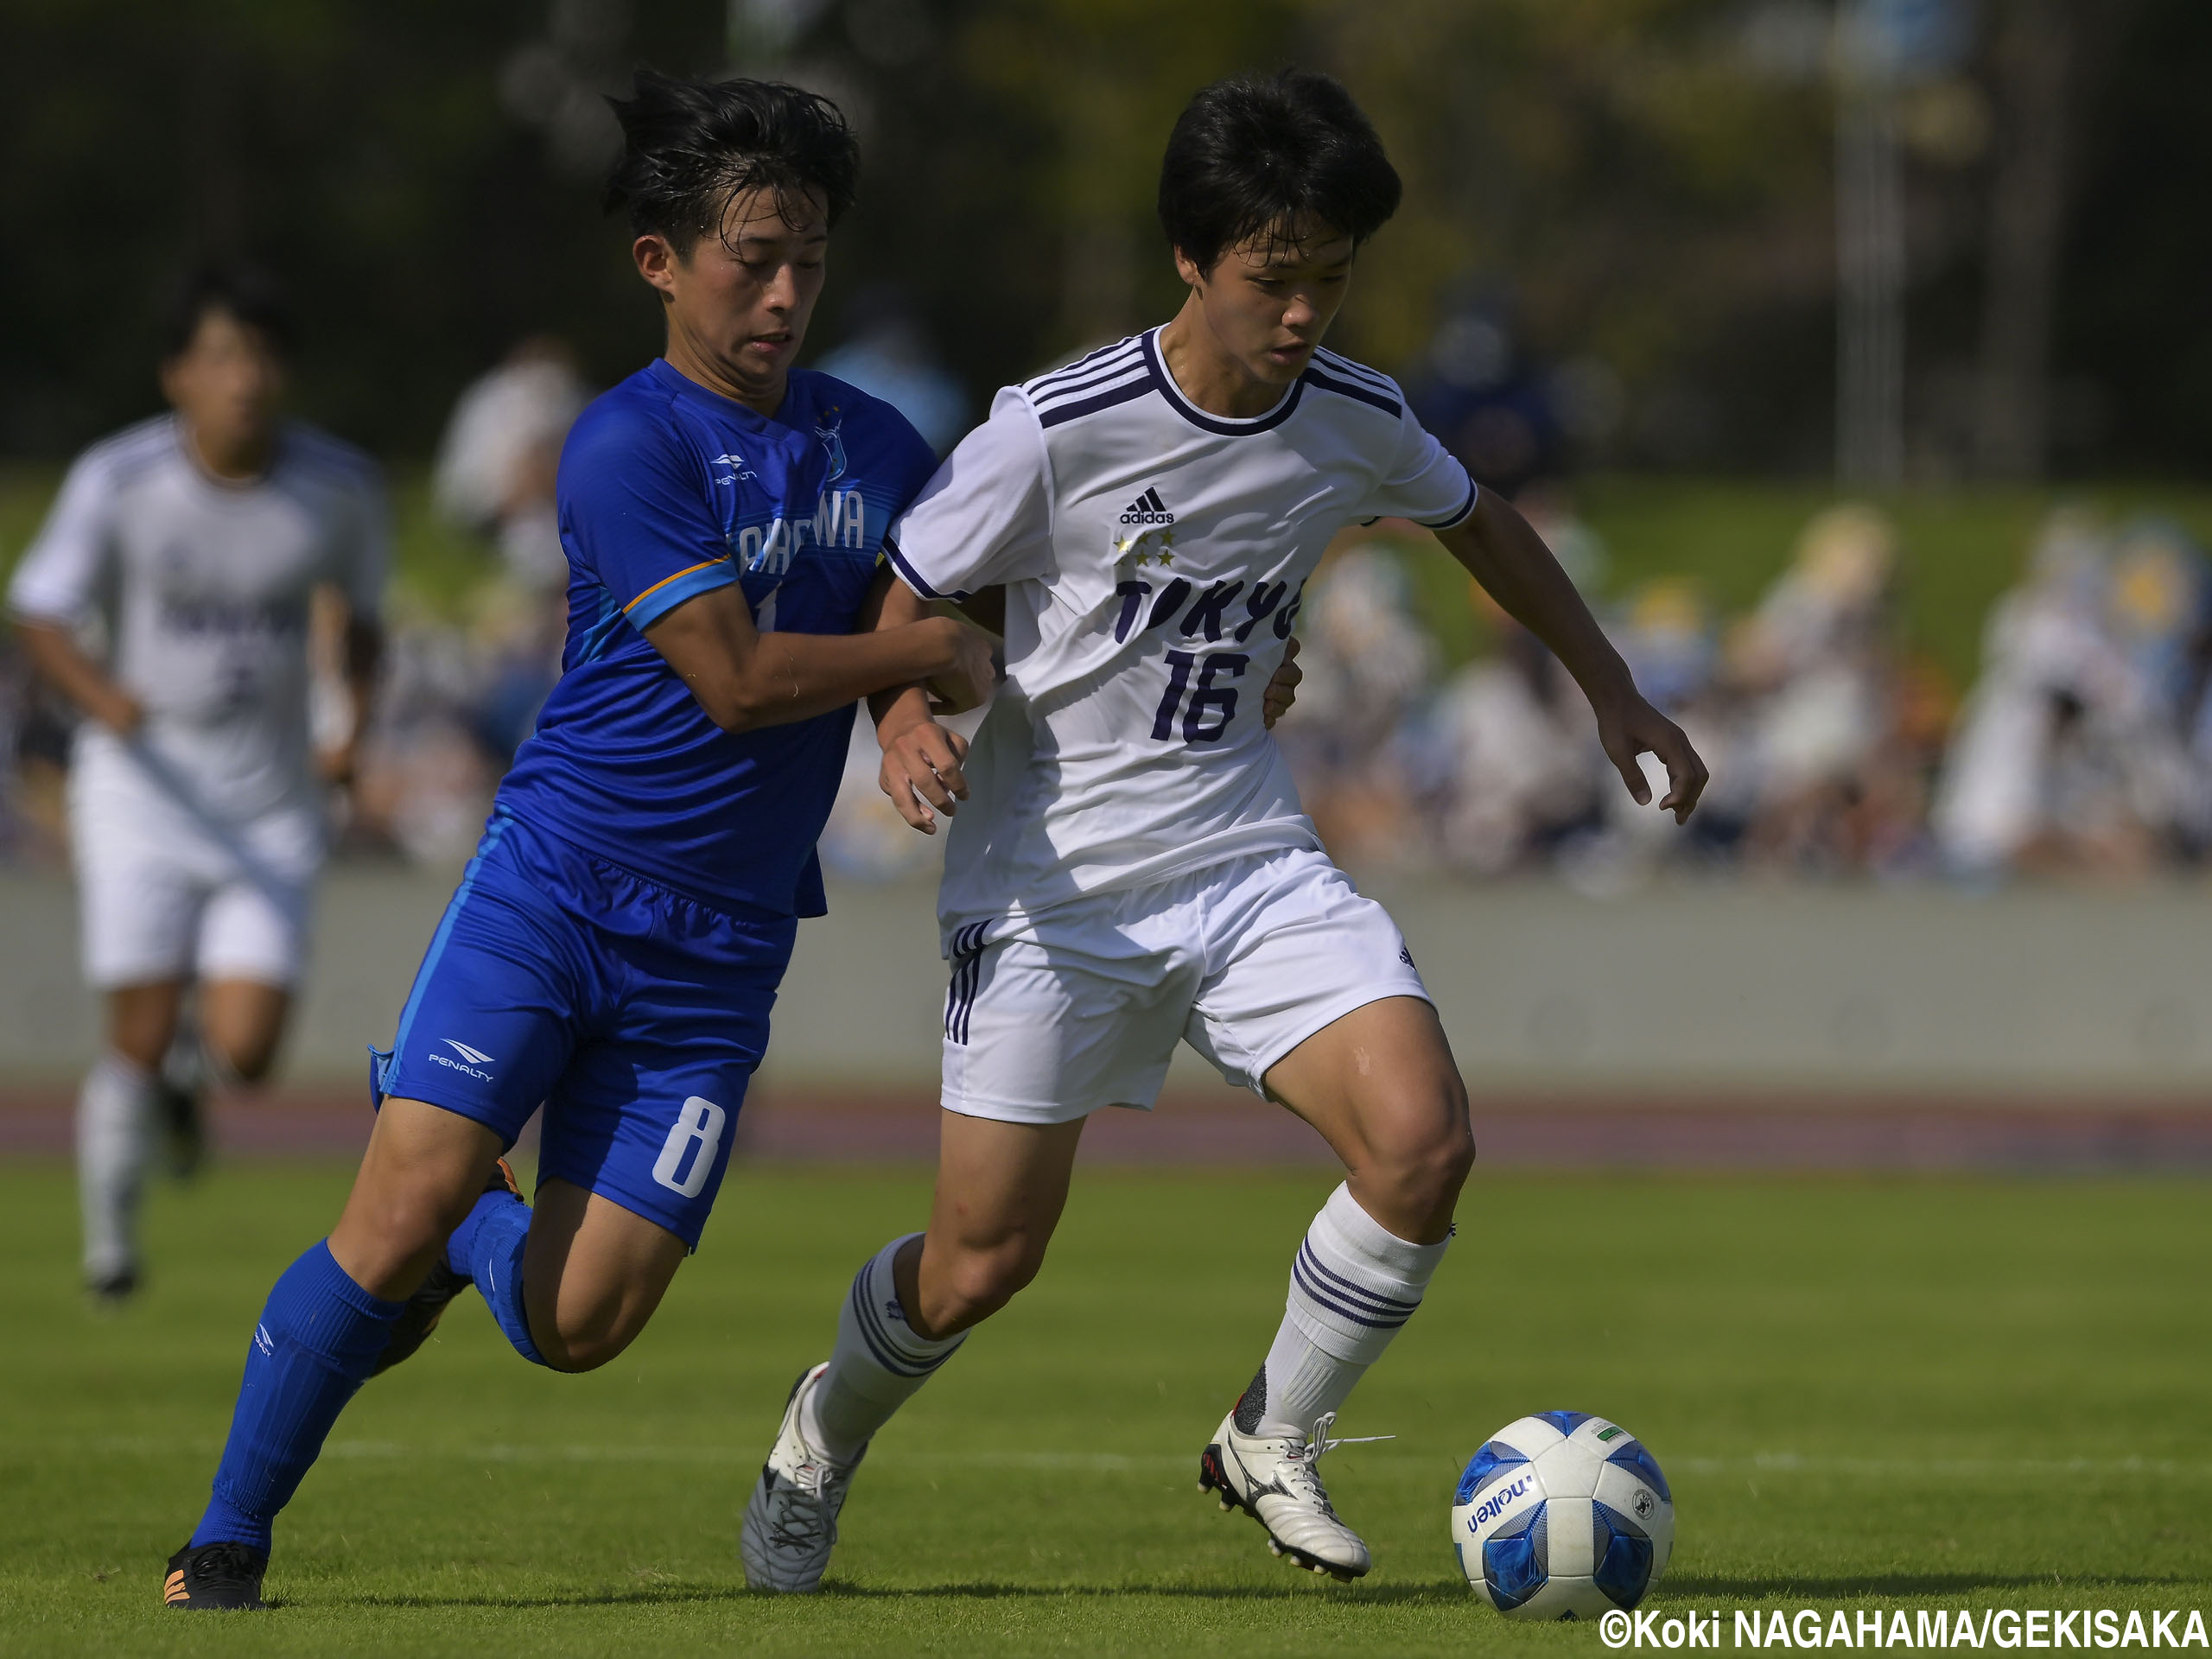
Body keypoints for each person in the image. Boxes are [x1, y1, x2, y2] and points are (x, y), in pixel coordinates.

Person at [740, 69, 1707, 1592]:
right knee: (980, 1263)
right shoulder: (1056, 429)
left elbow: (1484, 524)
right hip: (1050, 889)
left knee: (1424, 1143)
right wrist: (907, 721)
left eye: (1331, 278)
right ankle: (820, 1436)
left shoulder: (1356, 417)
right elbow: (908, 595)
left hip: (1249, 863)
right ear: (1194, 260)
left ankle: (1273, 1435)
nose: (1309, 311)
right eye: (1277, 278)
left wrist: (1615, 694)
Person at [154, 72, 1001, 1612]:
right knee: (387, 1211)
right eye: (754, 254)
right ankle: (224, 1543)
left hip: (725, 943)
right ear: (659, 264)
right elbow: (744, 681)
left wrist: (902, 703)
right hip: (553, 887)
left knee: (579, 1326)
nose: (788, 290)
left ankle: (460, 1220)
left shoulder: (873, 440)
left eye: (809, 255)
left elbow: (908, 594)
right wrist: (921, 665)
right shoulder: (623, 447)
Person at [7, 266, 386, 1304]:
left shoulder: (337, 487)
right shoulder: (119, 479)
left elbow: (361, 623)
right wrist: (104, 695)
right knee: (136, 1022)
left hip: (268, 804)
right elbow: (38, 608)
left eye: (261, 356)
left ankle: (191, 1085)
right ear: (179, 375)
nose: (244, 379)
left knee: (249, 1050)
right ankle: (110, 1252)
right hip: (142, 791)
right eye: (221, 356)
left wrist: (350, 730)